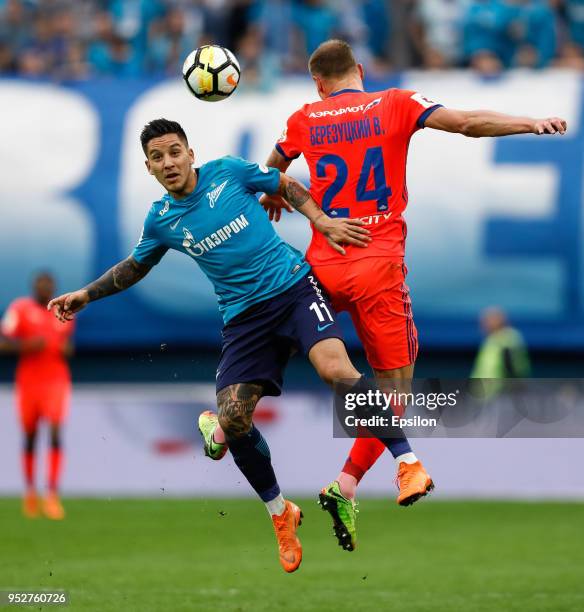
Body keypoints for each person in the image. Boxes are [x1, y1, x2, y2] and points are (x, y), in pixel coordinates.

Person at [47, 118, 412, 572]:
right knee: (235, 418)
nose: (169, 162)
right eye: (158, 157)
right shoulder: (161, 220)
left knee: (337, 370)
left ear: (190, 153)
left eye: (175, 151)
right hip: (244, 319)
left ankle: (407, 461)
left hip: (294, 289)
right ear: (148, 168)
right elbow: (134, 267)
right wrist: (87, 293)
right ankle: (281, 514)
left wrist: (322, 221)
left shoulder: (229, 171)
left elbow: (284, 182)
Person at [259, 38, 567, 550]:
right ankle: (378, 475)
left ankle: (253, 435)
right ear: (360, 68)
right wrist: (527, 122)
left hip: (323, 264)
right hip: (378, 266)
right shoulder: (395, 103)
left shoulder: (304, 117)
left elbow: (273, 166)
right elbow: (467, 123)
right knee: (395, 390)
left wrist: (274, 190)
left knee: (282, 342)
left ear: (318, 82)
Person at [0, 272, 75, 520]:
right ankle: (30, 493)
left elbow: (67, 345)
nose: (45, 289)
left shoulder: (62, 311)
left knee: (54, 432)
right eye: (41, 285)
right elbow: (3, 342)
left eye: (49, 286)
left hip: (56, 381)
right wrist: (26, 345)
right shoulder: (20, 309)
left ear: (53, 288)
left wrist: (67, 349)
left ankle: (52, 495)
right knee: (30, 436)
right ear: (34, 287)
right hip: (29, 382)